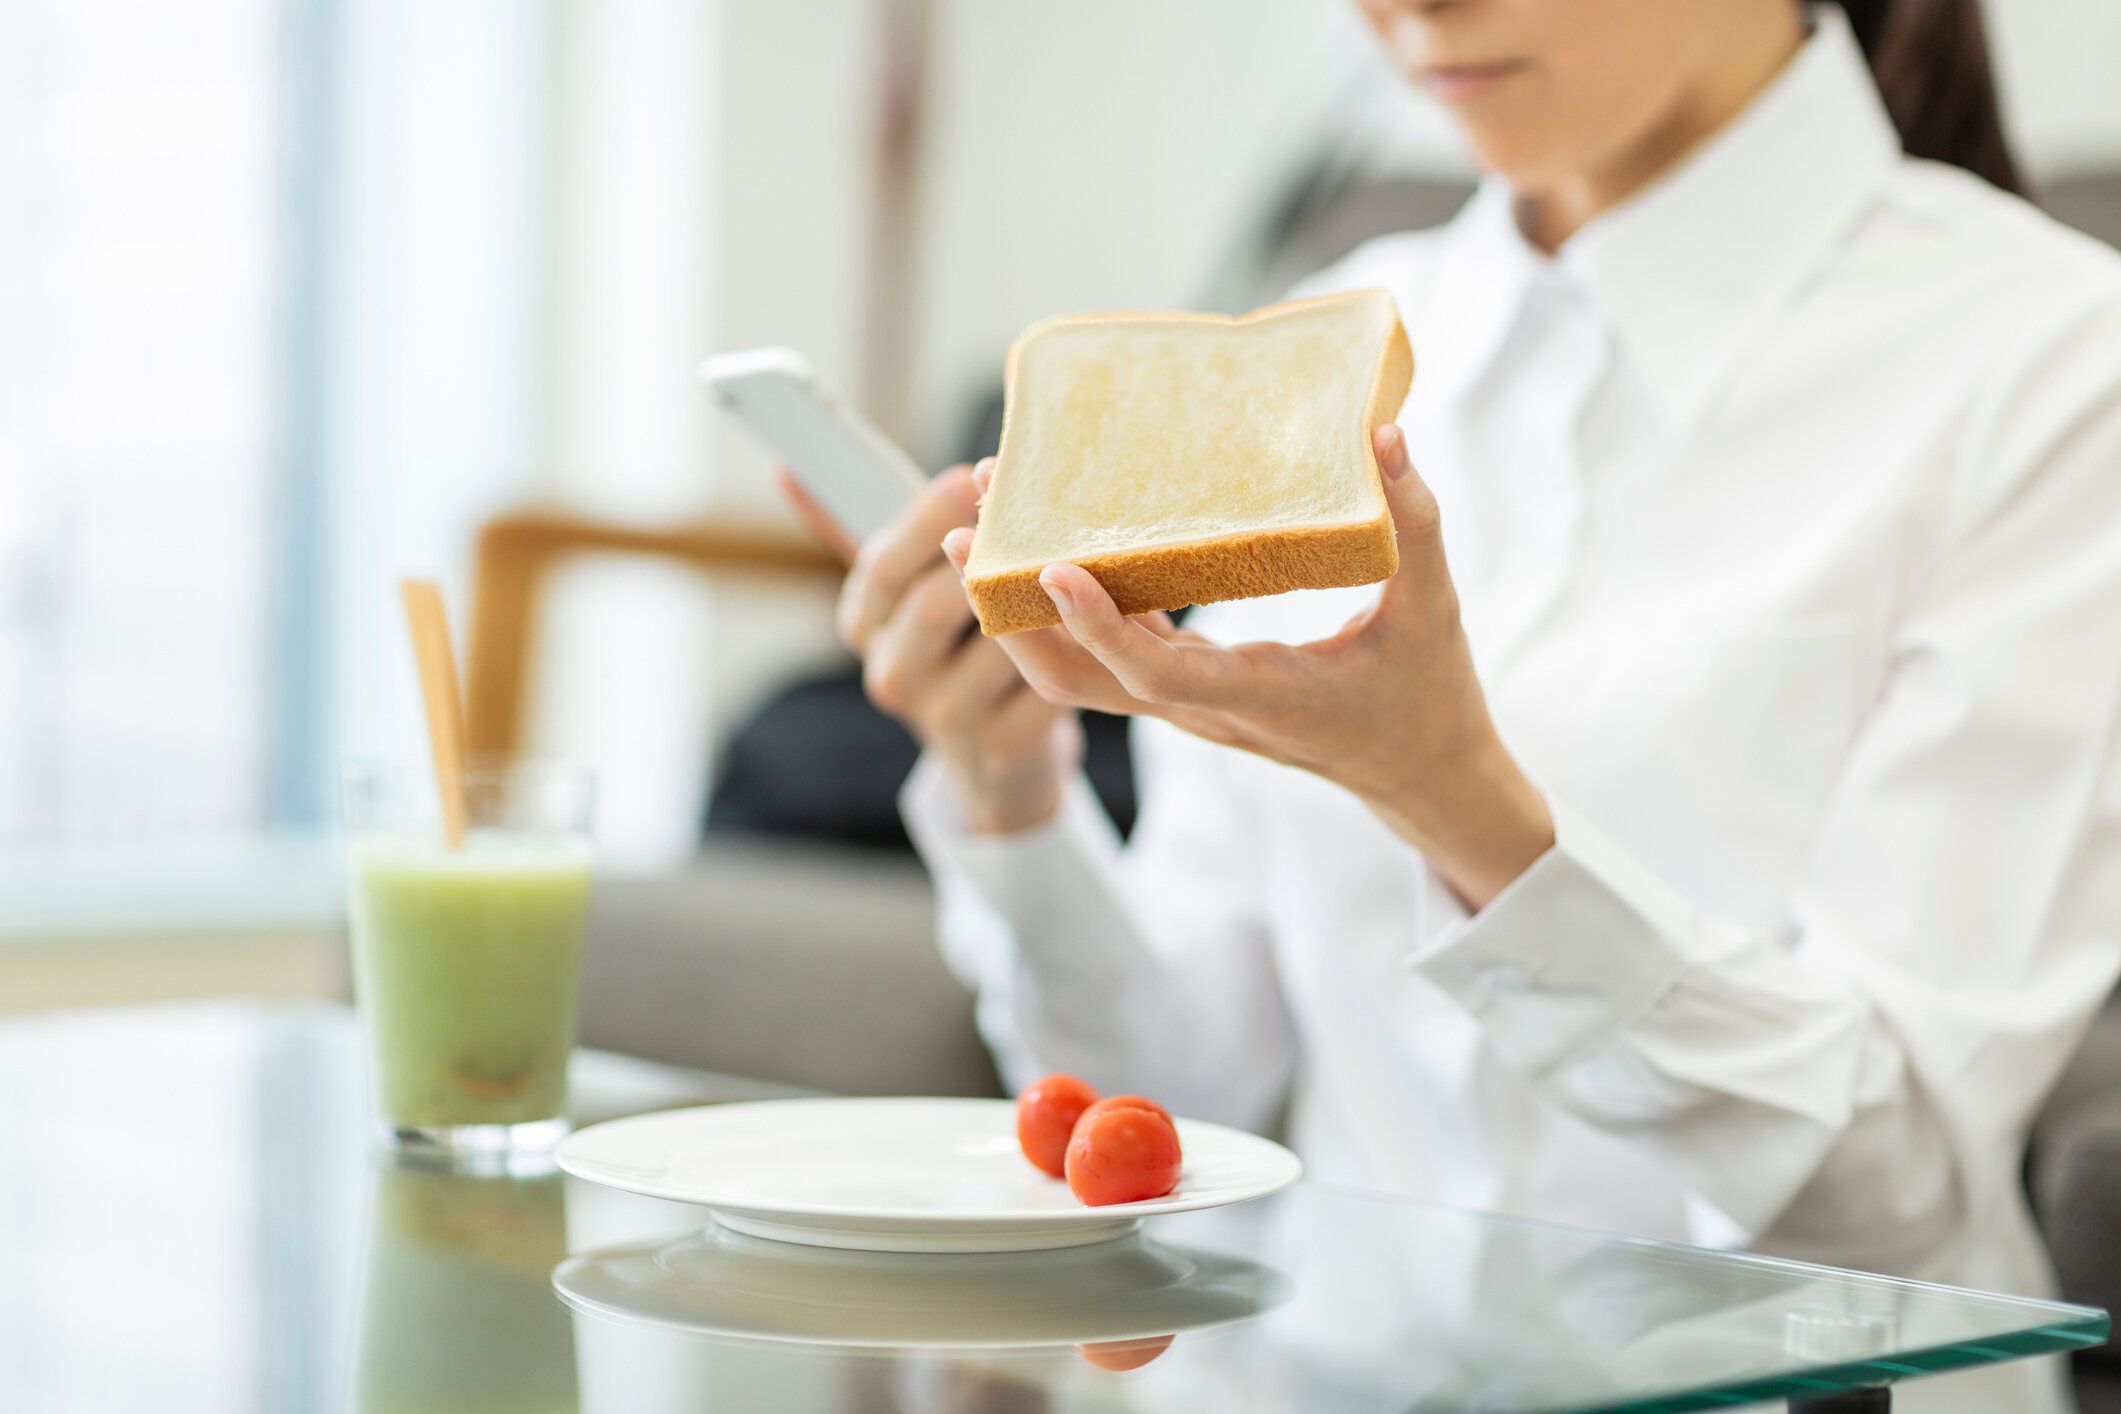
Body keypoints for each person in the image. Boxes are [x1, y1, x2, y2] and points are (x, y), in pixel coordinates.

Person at [786, 4, 2121, 1408]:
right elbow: (1181, 1100)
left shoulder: (2051, 367)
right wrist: (1011, 797)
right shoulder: (1330, 348)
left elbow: (1890, 1192)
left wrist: (1453, 797)